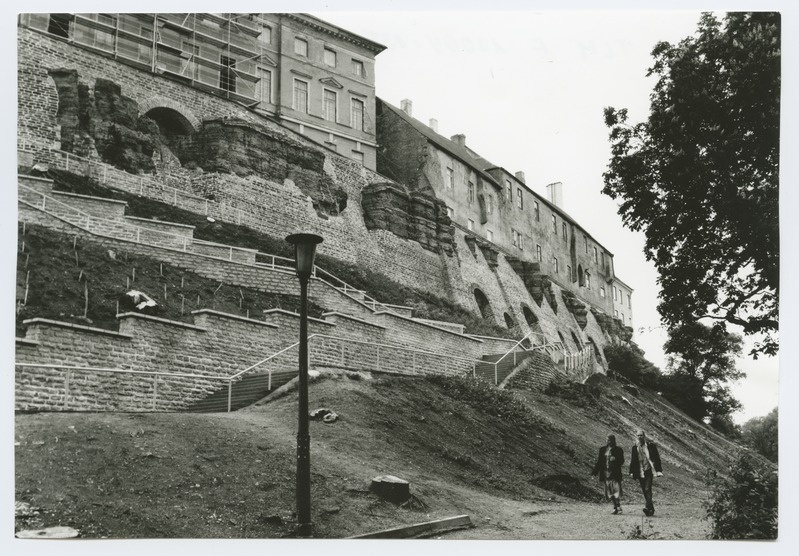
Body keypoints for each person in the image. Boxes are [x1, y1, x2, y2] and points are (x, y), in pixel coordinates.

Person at [629, 430, 663, 516]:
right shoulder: (635, 448)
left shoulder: (651, 446)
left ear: (644, 436)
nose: (639, 437)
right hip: (640, 471)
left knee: (648, 488)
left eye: (641, 435)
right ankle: (651, 509)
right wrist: (631, 471)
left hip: (649, 470)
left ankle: (647, 507)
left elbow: (657, 458)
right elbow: (633, 460)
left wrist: (659, 470)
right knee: (645, 490)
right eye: (638, 435)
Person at [591, 434, 625, 514]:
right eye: (607, 440)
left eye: (610, 440)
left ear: (613, 441)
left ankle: (618, 506)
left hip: (614, 473)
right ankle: (615, 506)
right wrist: (594, 472)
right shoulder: (602, 449)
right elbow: (599, 462)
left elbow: (622, 461)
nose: (608, 441)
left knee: (616, 490)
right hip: (605, 473)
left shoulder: (618, 450)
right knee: (609, 491)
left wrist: (615, 459)